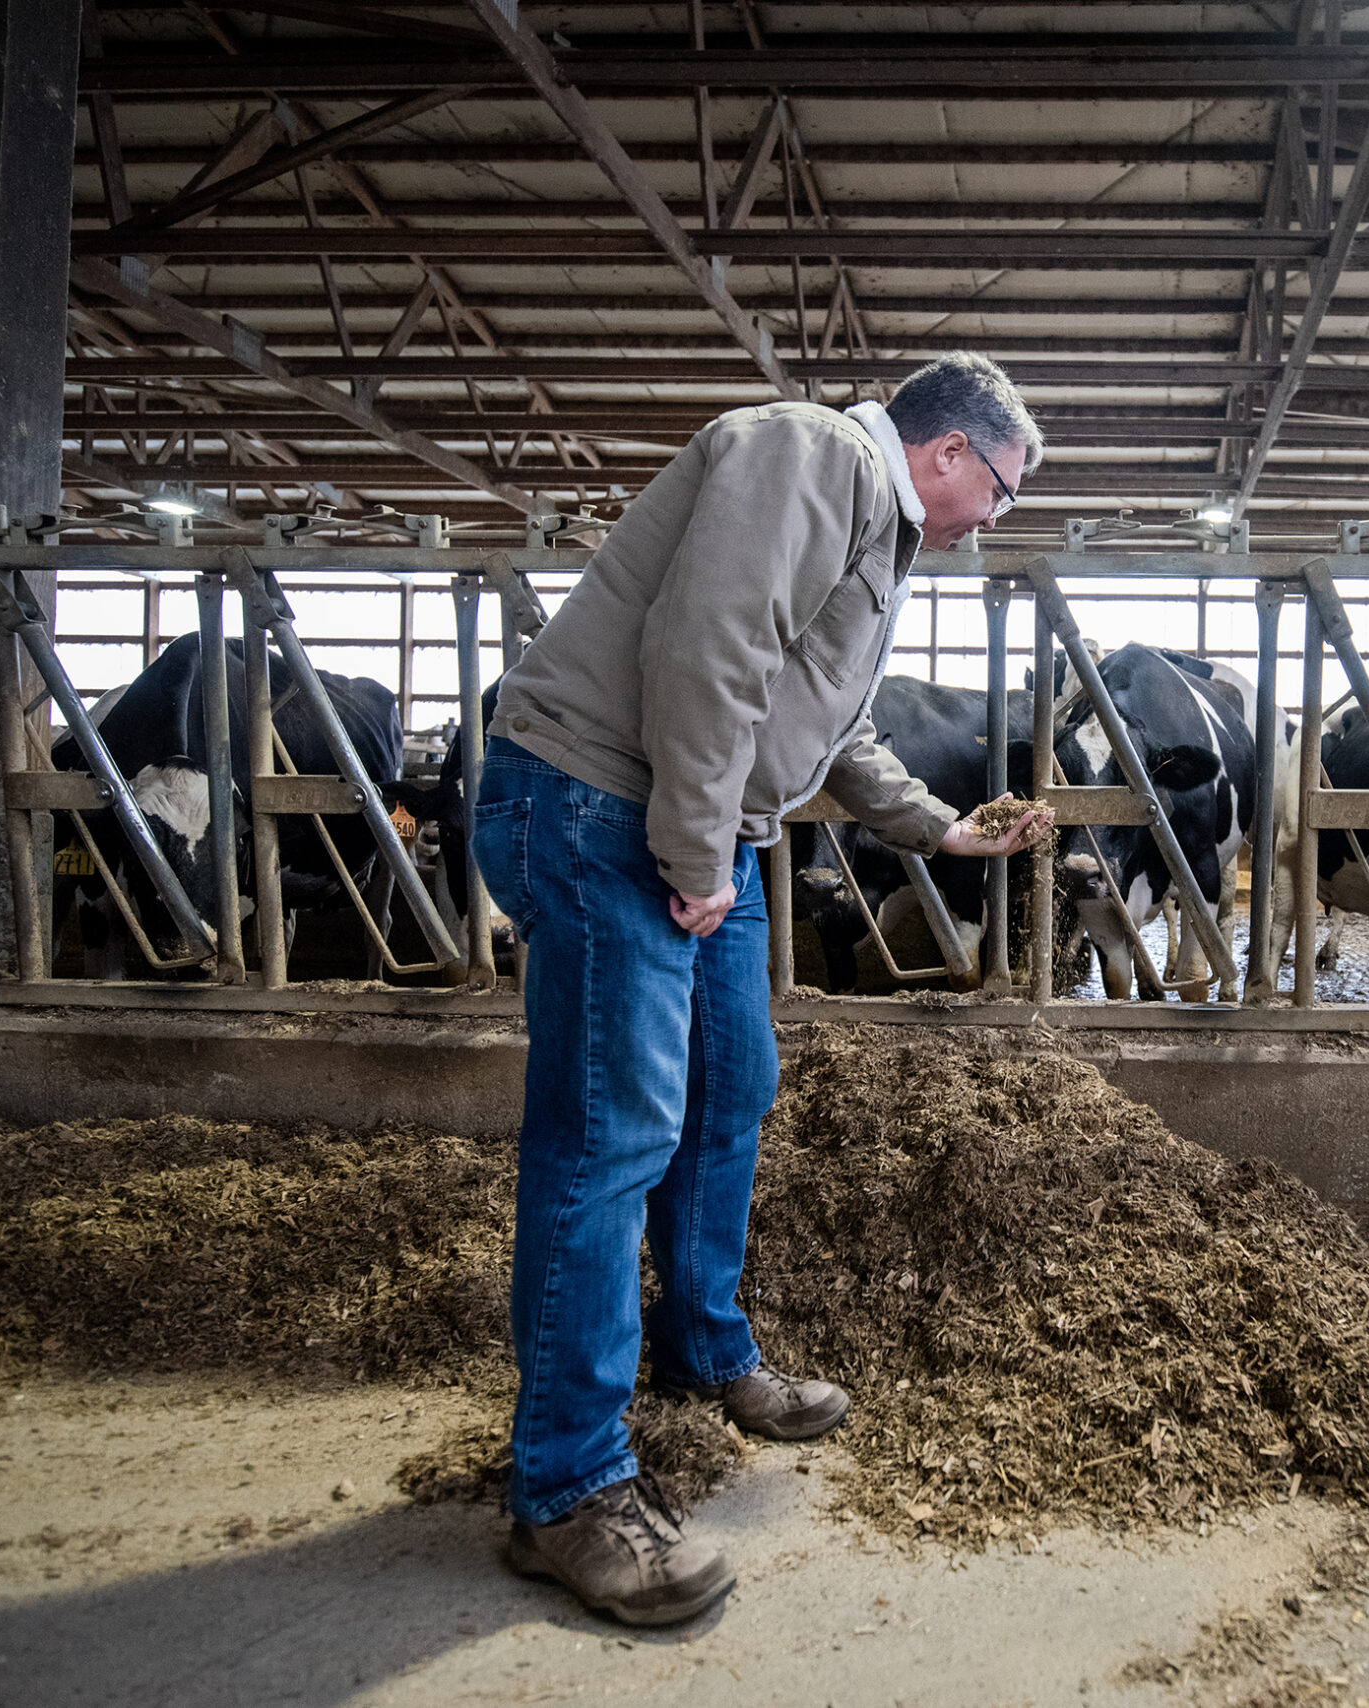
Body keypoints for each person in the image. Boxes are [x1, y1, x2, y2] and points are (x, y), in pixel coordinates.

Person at [470, 354, 1053, 1627]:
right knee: (610, 1131)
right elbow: (707, 647)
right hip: (596, 804)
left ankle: (703, 1346)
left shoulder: (874, 530)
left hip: (690, 826)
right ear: (949, 453)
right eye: (1001, 491)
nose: (994, 519)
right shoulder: (813, 457)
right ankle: (563, 1488)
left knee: (733, 1084)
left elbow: (827, 723)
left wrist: (943, 831)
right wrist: (693, 857)